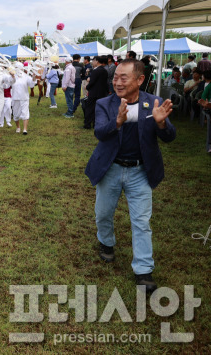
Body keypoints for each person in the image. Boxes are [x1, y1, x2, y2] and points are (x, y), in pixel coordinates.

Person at [85, 59, 175, 292]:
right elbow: (99, 133)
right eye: (115, 77)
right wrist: (117, 122)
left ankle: (144, 270)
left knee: (141, 222)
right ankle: (106, 242)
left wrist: (162, 123)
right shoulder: (105, 103)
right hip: (111, 169)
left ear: (140, 80)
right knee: (103, 214)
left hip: (140, 172)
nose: (117, 81)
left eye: (124, 77)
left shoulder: (153, 103)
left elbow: (169, 137)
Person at [83, 56, 109, 130]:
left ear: (97, 61)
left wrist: (87, 86)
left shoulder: (96, 71)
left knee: (89, 108)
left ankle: (87, 124)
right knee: (98, 109)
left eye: (93, 61)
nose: (92, 62)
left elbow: (92, 82)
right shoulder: (104, 70)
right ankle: (95, 124)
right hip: (102, 93)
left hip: (94, 93)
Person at [11, 63, 36, 135]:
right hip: (15, 98)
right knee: (16, 114)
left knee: (25, 113)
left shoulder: (26, 77)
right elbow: (7, 85)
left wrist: (33, 78)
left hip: (24, 98)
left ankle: (25, 129)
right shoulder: (12, 77)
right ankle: (18, 127)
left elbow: (31, 84)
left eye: (18, 67)